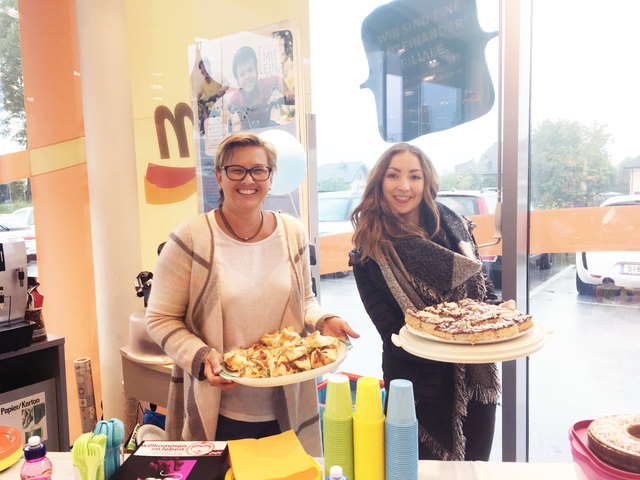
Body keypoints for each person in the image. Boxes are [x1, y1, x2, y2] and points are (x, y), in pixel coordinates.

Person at [146, 132, 359, 456]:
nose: (248, 179)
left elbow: (304, 302)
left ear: (271, 178)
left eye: (259, 170)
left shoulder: (292, 233)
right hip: (221, 410)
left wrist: (324, 320)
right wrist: (201, 357)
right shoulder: (190, 239)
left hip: (289, 403)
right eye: (236, 170)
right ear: (219, 176)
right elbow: (160, 318)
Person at [349, 142, 501, 461]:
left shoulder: (454, 226)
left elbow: (484, 293)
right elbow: (392, 332)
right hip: (417, 385)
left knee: (473, 467)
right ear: (379, 181)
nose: (404, 186)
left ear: (427, 182)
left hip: (475, 376)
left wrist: (498, 316)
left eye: (414, 176)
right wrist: (457, 333)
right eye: (393, 175)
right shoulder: (368, 252)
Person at [228, 46, 284, 130]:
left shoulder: (263, 85)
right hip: (246, 131)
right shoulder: (237, 96)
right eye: (242, 74)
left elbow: (278, 80)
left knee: (275, 128)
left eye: (250, 70)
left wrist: (286, 92)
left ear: (257, 72)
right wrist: (229, 109)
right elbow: (229, 106)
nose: (247, 76)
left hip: (265, 125)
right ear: (238, 81)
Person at [196, 58, 228, 134]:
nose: (204, 70)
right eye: (201, 68)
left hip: (220, 108)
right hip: (209, 109)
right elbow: (197, 95)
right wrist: (198, 101)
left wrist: (219, 92)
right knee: (203, 120)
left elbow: (226, 84)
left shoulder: (217, 76)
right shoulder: (203, 84)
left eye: (205, 67)